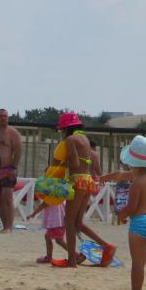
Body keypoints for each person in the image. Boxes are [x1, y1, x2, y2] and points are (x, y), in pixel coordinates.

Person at [100, 136, 146, 290]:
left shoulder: (136, 183)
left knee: (138, 263)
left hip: (141, 224)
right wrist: (104, 177)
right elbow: (120, 175)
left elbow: (132, 207)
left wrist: (120, 214)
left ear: (131, 160)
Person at [57, 112, 116, 267]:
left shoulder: (71, 139)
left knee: (68, 222)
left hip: (77, 181)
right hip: (88, 181)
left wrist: (59, 164)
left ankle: (71, 260)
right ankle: (106, 246)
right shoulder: (85, 139)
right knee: (78, 223)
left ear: (66, 128)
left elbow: (75, 164)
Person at [0, 109, 22, 233]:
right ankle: (5, 226)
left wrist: (14, 167)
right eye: (1, 116)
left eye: (5, 116)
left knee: (7, 198)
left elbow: (18, 151)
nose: (3, 118)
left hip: (9, 170)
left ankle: (10, 226)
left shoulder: (13, 133)